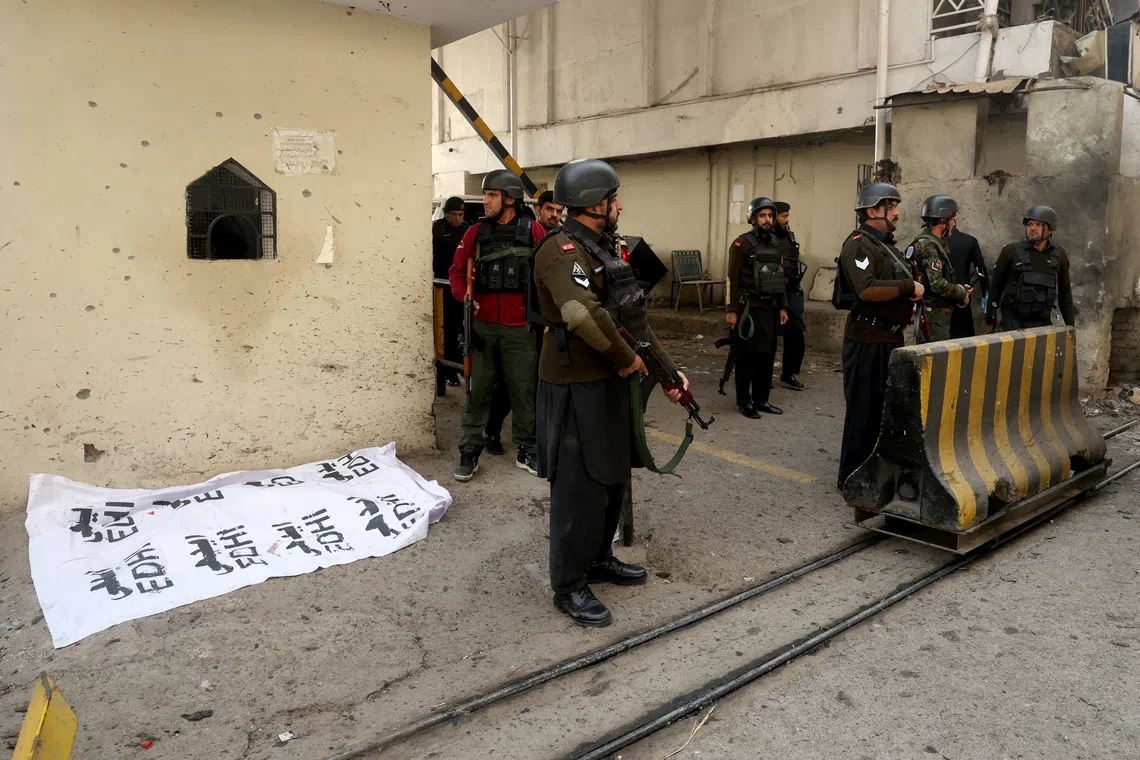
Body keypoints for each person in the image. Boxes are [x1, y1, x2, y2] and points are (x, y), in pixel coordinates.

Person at [531, 159, 688, 627]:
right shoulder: (560, 251)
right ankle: (569, 585)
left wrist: (669, 373)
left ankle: (598, 559)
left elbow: (634, 322)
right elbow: (580, 313)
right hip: (575, 384)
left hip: (611, 384)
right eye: (614, 197)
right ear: (596, 203)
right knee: (579, 486)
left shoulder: (602, 249)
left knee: (612, 474)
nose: (620, 205)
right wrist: (627, 360)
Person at [448, 171, 546, 481]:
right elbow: (456, 273)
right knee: (478, 393)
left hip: (521, 328)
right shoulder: (474, 233)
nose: (484, 200)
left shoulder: (535, 231)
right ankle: (470, 449)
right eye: (485, 194)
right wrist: (466, 297)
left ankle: (527, 448)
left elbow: (546, 277)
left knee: (524, 392)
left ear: (509, 198)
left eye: (491, 194)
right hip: (483, 329)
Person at [837, 183, 924, 489]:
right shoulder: (859, 244)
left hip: (889, 340)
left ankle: (874, 473)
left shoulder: (886, 246)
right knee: (863, 411)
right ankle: (851, 478)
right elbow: (867, 289)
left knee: (884, 411)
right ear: (873, 211)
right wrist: (908, 287)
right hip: (866, 342)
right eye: (891, 207)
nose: (897, 213)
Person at [483, 190, 565, 454]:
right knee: (511, 383)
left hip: (545, 323)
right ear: (539, 209)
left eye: (559, 211)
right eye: (550, 209)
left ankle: (534, 435)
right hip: (519, 321)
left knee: (539, 383)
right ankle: (492, 430)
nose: (555, 215)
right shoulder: (530, 232)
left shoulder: (556, 237)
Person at [726, 197, 789, 418]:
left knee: (767, 356)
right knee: (746, 357)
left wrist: (783, 307)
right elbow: (732, 280)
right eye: (762, 216)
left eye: (770, 216)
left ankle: (762, 399)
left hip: (770, 309)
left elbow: (780, 279)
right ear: (753, 218)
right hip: (747, 310)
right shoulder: (741, 243)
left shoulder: (775, 244)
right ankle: (745, 402)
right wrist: (731, 310)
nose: (767, 220)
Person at [986, 205, 1074, 332]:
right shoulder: (1010, 252)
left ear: (1050, 230)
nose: (1032, 228)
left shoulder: (1059, 255)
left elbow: (1065, 294)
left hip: (1042, 326)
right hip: (1012, 325)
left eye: (1038, 224)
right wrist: (990, 321)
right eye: (1029, 224)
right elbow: (995, 289)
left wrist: (1070, 327)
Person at [906, 195, 970, 343]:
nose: (954, 224)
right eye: (952, 219)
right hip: (934, 317)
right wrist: (960, 292)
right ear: (943, 221)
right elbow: (936, 284)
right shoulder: (928, 245)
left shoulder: (934, 243)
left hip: (938, 316)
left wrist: (958, 288)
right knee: (936, 362)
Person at [432, 197, 468, 388]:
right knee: (445, 331)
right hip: (441, 289)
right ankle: (447, 372)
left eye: (460, 215)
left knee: (460, 329)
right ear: (446, 214)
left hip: (459, 288)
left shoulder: (466, 231)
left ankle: (458, 367)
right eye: (453, 214)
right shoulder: (436, 229)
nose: (457, 218)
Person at [773, 201, 807, 390]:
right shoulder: (766, 238)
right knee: (769, 337)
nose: (786, 220)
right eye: (783, 216)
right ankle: (761, 376)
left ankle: (788, 373)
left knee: (796, 334)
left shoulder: (788, 236)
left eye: (787, 216)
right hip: (772, 292)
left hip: (791, 291)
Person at [947, 222, 989, 339]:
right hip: (962, 300)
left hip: (936, 304)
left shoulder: (925, 243)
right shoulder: (968, 241)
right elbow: (981, 271)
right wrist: (986, 298)